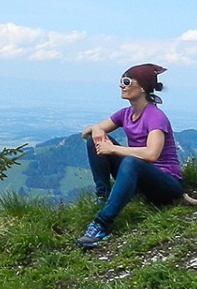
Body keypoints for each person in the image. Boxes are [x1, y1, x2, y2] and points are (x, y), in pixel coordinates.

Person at [76, 63, 183, 248]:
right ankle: (103, 196)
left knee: (131, 162)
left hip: (166, 184)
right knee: (96, 141)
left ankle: (100, 224)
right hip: (141, 177)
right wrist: (96, 129)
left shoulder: (155, 117)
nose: (121, 85)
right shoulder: (125, 114)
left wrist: (114, 149)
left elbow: (151, 154)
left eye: (126, 81)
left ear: (142, 87)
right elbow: (86, 132)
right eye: (121, 81)